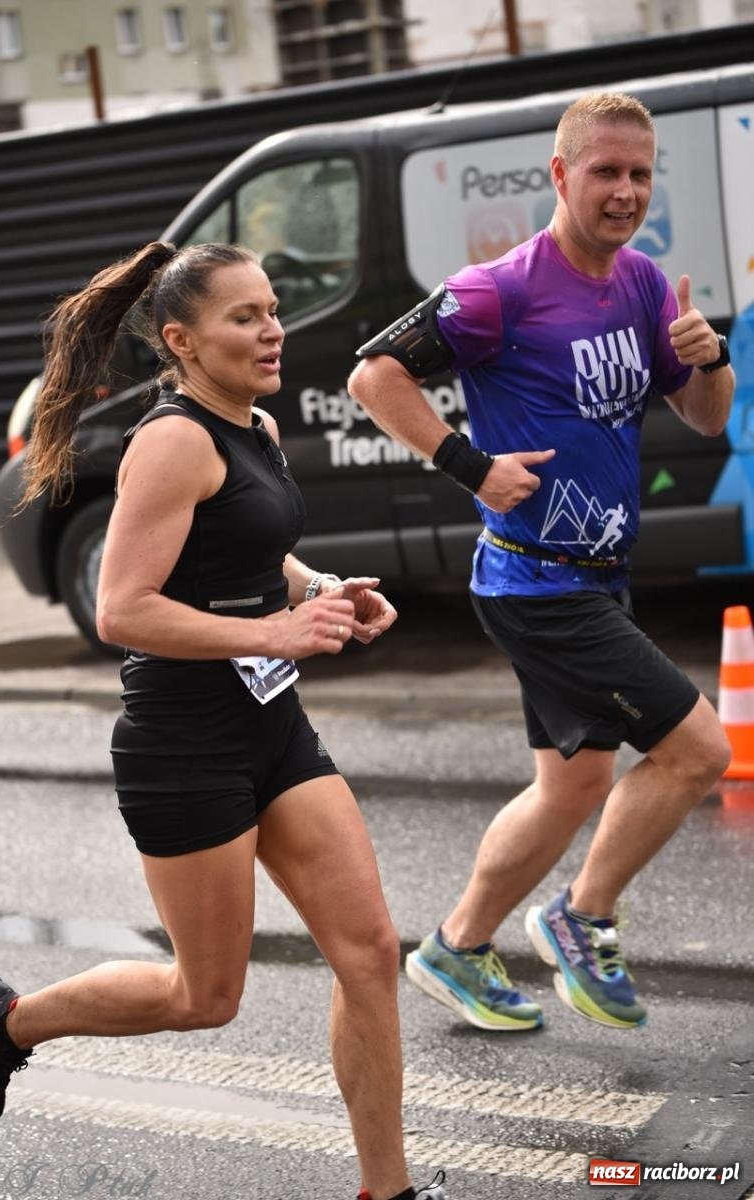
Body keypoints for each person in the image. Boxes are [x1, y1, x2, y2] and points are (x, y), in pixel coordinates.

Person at [0, 241, 447, 1200]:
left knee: (370, 953)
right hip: (185, 745)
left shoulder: (252, 424)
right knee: (204, 996)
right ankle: (6, 1023)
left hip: (272, 729)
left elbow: (250, 554)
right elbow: (121, 609)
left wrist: (325, 592)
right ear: (179, 340)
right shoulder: (172, 440)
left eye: (271, 310)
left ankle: (386, 1193)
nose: (271, 330)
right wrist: (276, 627)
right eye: (245, 317)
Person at [347, 91, 734, 1033]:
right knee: (698, 751)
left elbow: (707, 417)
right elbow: (372, 374)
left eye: (639, 174)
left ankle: (455, 946)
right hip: (535, 578)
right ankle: (579, 915)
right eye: (605, 171)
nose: (624, 191)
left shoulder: (642, 285)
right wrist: (467, 465)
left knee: (572, 785)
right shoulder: (501, 289)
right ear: (560, 176)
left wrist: (708, 355)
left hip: (595, 573)